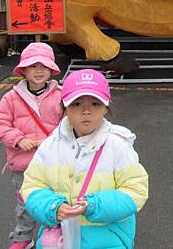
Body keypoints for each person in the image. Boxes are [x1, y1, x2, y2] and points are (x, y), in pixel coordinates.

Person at [21, 69, 149, 249]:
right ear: (65, 108)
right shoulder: (50, 146)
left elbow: (136, 190)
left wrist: (95, 205)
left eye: (95, 104)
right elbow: (32, 185)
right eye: (77, 103)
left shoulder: (118, 146)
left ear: (106, 107)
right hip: (59, 238)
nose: (86, 111)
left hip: (108, 237)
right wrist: (53, 207)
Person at [0, 42, 64, 249]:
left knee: (55, 199)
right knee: (25, 204)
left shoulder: (61, 95)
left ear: (51, 68)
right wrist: (18, 139)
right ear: (23, 69)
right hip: (24, 164)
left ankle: (55, 231)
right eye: (33, 66)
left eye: (44, 66)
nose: (39, 70)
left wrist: (51, 140)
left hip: (54, 162)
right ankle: (23, 236)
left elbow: (67, 125)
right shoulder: (11, 98)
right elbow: (0, 123)